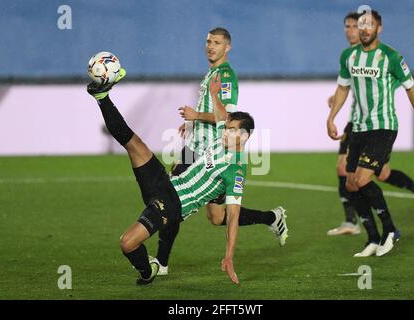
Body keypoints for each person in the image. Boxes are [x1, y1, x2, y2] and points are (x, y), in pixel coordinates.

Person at [87, 69, 254, 285]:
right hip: (166, 183)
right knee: (133, 142)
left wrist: (229, 254)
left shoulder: (236, 171)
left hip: (173, 205)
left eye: (230, 130)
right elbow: (222, 116)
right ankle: (101, 96)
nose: (224, 132)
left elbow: (232, 216)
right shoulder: (225, 138)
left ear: (244, 136)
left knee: (127, 243)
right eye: (226, 129)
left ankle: (148, 271)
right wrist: (213, 93)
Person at [150, 27, 288, 276]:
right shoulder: (211, 73)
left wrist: (196, 116)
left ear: (228, 47)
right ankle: (271, 218)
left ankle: (161, 263)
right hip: (196, 146)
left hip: (210, 153)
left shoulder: (225, 76)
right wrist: (194, 122)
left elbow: (226, 116)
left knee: (173, 203)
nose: (210, 46)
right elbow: (213, 109)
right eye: (208, 41)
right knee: (214, 216)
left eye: (216, 42)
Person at [327, 10, 414, 257]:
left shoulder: (391, 57)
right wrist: (331, 117)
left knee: (362, 179)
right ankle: (372, 238)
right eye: (360, 25)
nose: (363, 29)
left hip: (383, 127)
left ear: (379, 28)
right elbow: (342, 88)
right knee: (352, 184)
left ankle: (390, 231)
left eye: (368, 25)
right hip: (358, 129)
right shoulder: (348, 56)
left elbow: (411, 87)